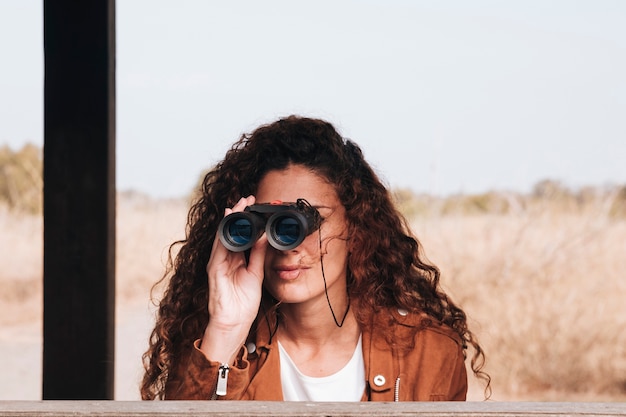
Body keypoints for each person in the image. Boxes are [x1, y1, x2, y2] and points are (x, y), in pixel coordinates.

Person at [141, 115, 490, 401]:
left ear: (356, 224)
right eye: (268, 220)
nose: (288, 244)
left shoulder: (427, 353)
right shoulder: (217, 349)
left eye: (308, 220)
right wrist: (227, 329)